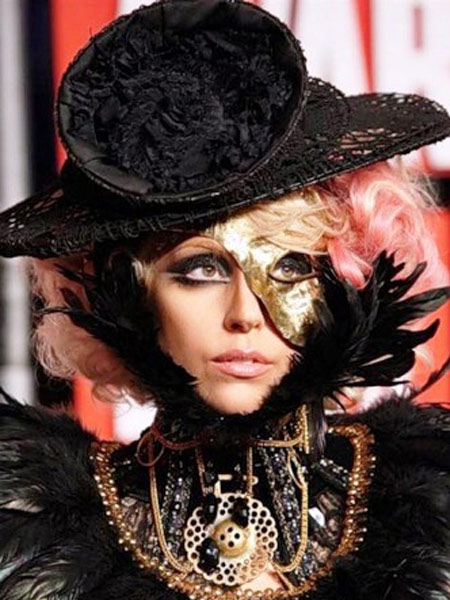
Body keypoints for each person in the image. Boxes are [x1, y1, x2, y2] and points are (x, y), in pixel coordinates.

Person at [0, 1, 450, 598]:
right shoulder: (33, 527)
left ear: (346, 277)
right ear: (127, 292)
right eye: (201, 270)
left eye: (290, 267)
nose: (245, 315)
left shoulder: (432, 502)